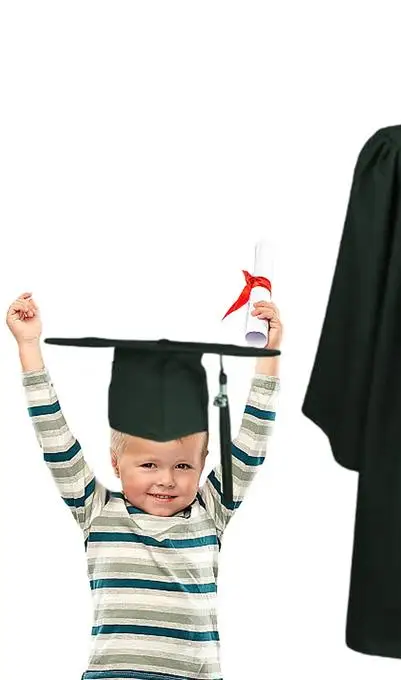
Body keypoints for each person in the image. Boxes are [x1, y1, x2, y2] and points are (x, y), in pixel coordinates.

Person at [7, 290, 282, 679]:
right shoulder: (96, 511)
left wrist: (268, 356)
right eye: (149, 464)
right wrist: (29, 345)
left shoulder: (211, 511)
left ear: (204, 463)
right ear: (116, 462)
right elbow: (54, 437)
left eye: (183, 465)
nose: (166, 480)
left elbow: (252, 441)